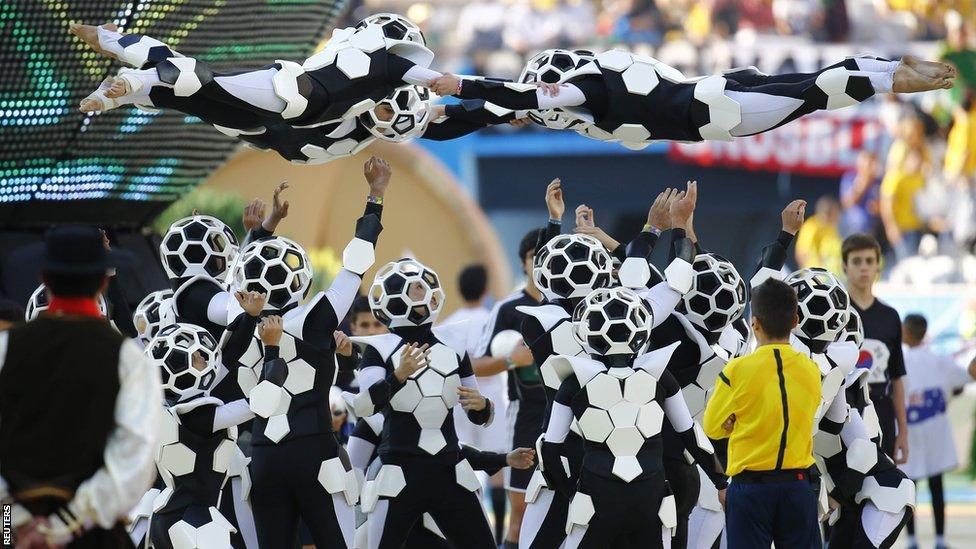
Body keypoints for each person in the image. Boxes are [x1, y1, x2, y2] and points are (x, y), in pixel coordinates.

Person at [430, 51, 955, 150]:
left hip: (716, 111)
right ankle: (890, 68)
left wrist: (462, 84)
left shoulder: (582, 92)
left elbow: (517, 96)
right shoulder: (574, 101)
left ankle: (892, 76)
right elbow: (494, 112)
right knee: (812, 85)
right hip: (720, 91)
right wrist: (424, 125)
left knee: (815, 92)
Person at [1, 225, 161, 547]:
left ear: (44, 278)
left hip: (9, 530)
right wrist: (66, 523)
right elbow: (135, 458)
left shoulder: (5, 348)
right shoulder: (129, 358)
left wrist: (14, 519)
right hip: (90, 534)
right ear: (103, 281)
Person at [542, 286, 726, 548]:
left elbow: (550, 450)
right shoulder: (659, 375)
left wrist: (572, 493)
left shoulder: (574, 382)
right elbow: (690, 434)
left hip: (597, 498)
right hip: (649, 498)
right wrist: (721, 481)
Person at [351, 258, 496, 548]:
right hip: (399, 472)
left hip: (448, 469)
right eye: (413, 287)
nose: (420, 291)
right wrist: (398, 375)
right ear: (392, 295)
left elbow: (479, 414)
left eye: (422, 285)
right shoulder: (379, 349)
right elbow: (364, 407)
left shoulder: (454, 345)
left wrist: (482, 406)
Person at [703, 278, 822, 549]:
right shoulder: (811, 369)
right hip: (798, 484)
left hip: (751, 488)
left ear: (754, 323)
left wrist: (733, 422)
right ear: (795, 321)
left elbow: (712, 427)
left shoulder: (736, 370)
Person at [471, 228, 544, 549]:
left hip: (569, 416)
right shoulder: (508, 308)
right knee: (522, 514)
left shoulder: (571, 304)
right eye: (534, 257)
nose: (541, 263)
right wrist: (511, 361)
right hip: (525, 416)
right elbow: (478, 363)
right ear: (523, 263)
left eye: (547, 256)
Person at [442, 263, 509, 544]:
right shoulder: (492, 319)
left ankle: (460, 531)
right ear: (485, 288)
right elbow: (501, 360)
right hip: (489, 402)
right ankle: (494, 537)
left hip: (458, 401)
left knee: (461, 465)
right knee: (496, 470)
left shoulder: (448, 326)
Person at [901, 314, 976, 549]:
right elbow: (967, 376)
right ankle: (940, 539)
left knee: (908, 490)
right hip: (935, 432)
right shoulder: (939, 361)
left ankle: (911, 539)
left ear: (906, 331)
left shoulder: (901, 361)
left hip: (909, 432)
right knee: (937, 486)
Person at [842, 233, 909, 464]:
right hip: (844, 413)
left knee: (884, 490)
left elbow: (897, 378)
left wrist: (903, 432)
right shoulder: (836, 314)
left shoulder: (890, 316)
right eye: (857, 261)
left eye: (870, 261)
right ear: (845, 266)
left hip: (882, 411)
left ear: (878, 266)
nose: (864, 268)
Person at [839, 150, 882, 238]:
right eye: (869, 163)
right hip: (854, 225)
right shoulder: (850, 177)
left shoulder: (879, 181)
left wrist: (878, 207)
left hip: (875, 225)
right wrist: (863, 182)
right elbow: (848, 203)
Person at [795, 195, 843, 273]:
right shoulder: (811, 227)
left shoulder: (832, 228)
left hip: (833, 276)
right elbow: (801, 253)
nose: (838, 216)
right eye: (836, 212)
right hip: (816, 276)